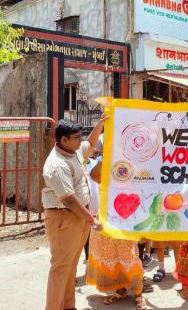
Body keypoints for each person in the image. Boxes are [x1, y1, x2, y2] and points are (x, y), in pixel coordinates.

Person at [42, 118, 105, 310]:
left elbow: (90, 143)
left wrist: (102, 122)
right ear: (63, 139)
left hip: (78, 218)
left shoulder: (73, 150)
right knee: (61, 269)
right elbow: (69, 199)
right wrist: (92, 219)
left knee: (71, 267)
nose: (81, 140)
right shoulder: (57, 165)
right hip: (64, 218)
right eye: (77, 137)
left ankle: (68, 306)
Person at [86, 158, 148, 309]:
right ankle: (120, 290)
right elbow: (93, 175)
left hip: (126, 222)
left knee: (129, 255)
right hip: (106, 220)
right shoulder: (110, 169)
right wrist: (107, 156)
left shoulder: (138, 170)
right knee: (110, 255)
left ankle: (139, 294)